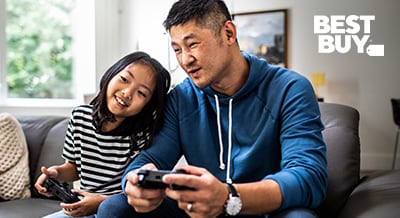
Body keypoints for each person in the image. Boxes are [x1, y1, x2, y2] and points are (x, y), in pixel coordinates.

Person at [97, 0, 327, 217]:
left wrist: (229, 196)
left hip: (265, 209)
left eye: (192, 44)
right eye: (177, 49)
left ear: (228, 33)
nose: (185, 60)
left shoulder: (290, 88)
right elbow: (150, 158)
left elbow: (308, 176)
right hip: (199, 210)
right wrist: (133, 182)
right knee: (115, 207)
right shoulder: (180, 98)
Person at [34, 51, 171, 218]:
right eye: (125, 79)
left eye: (141, 93)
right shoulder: (80, 117)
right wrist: (55, 173)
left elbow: (137, 191)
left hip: (117, 211)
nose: (127, 93)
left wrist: (101, 202)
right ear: (111, 74)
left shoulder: (142, 135)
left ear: (147, 105)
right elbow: (73, 167)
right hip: (80, 206)